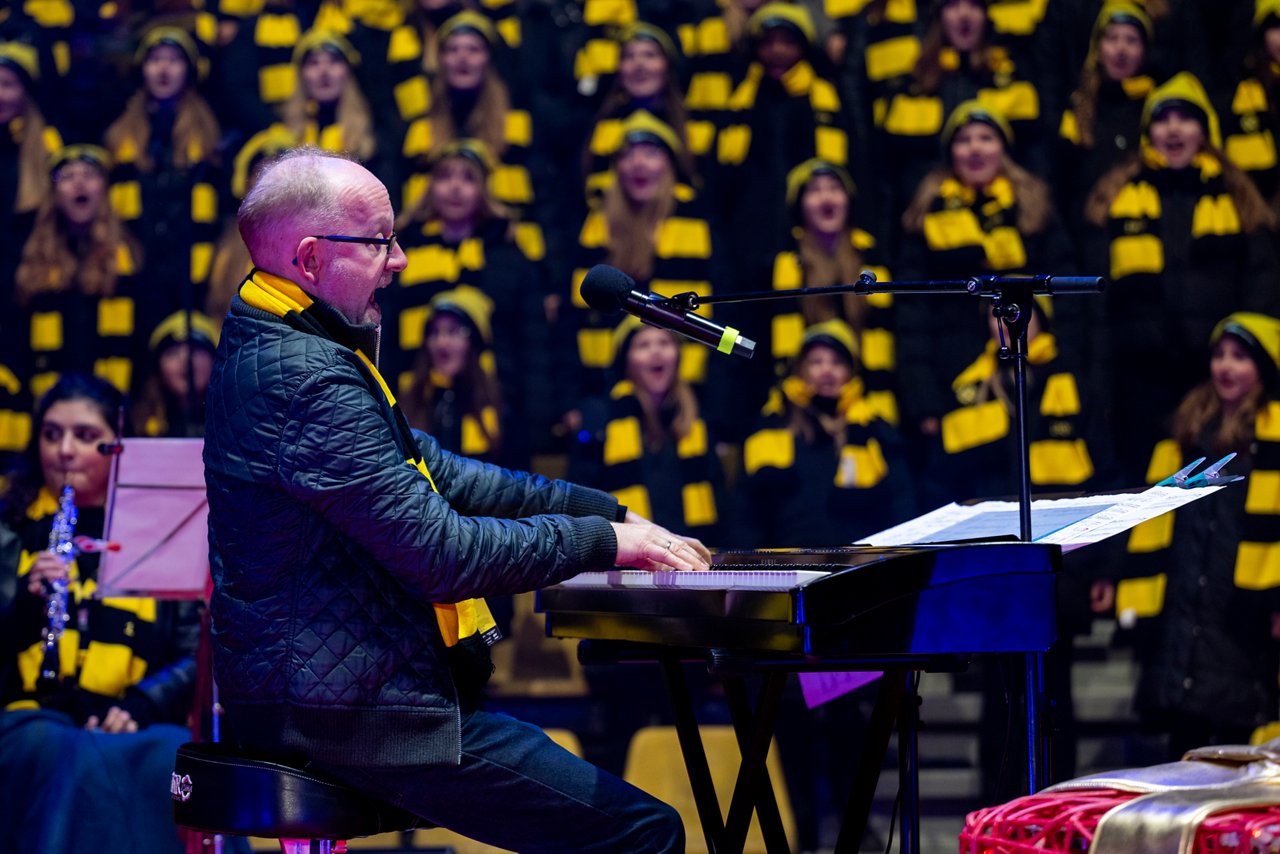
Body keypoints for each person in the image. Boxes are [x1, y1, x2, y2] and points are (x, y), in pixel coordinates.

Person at [203, 147, 705, 853]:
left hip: (336, 691)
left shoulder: (285, 340)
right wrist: (608, 545)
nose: (401, 258)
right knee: (647, 832)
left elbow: (441, 473)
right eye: (380, 240)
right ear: (310, 259)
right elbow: (442, 554)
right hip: (351, 711)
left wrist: (608, 510)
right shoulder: (306, 377)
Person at [0, 373, 200, 854]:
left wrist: (142, 706)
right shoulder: (11, 534)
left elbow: (196, 655)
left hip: (132, 720)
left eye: (86, 437)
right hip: (33, 719)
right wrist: (26, 608)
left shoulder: (163, 532)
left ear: (118, 447)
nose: (64, 451)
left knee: (171, 757)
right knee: (57, 750)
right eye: (51, 434)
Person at [1084, 72, 1280, 484]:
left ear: (1204, 129)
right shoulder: (1114, 196)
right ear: (1147, 130)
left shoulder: (1239, 197)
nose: (1173, 128)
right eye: (1162, 118)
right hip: (1137, 381)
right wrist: (1098, 385)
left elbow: (1262, 287)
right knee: (1138, 493)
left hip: (1213, 380)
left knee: (1214, 495)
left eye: (1186, 118)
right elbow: (1096, 306)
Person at [1109, 312, 1280, 759]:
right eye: (1220, 355)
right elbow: (1152, 525)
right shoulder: (1185, 437)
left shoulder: (1272, 438)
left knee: (1239, 736)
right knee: (1185, 744)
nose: (1226, 366)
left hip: (1242, 611)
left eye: (1240, 357)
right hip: (1187, 604)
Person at [739, 318, 915, 548]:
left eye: (837, 362)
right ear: (800, 368)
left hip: (859, 563)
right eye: (816, 361)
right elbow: (746, 510)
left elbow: (902, 503)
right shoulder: (772, 425)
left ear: (851, 371)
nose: (826, 371)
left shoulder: (876, 429)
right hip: (786, 560)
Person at [14, 144, 146, 402]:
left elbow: (141, 343)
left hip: (111, 397)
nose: (79, 183)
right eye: (68, 176)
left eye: (89, 174)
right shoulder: (34, 260)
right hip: (51, 396)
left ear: (104, 189)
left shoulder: (129, 257)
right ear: (54, 194)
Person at [132, 310, 219, 438]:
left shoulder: (234, 421)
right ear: (157, 368)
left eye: (197, 350)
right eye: (172, 353)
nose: (186, 359)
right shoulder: (139, 426)